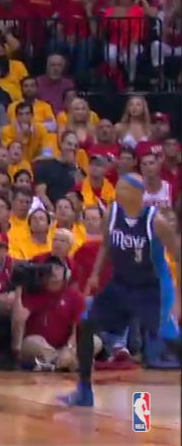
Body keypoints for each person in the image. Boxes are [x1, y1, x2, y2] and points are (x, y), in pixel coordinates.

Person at [59, 173, 181, 406]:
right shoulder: (112, 214)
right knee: (85, 324)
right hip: (121, 285)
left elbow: (178, 257)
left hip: (151, 288)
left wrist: (176, 299)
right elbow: (106, 245)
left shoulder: (156, 222)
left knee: (170, 338)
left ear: (137, 194)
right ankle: (84, 391)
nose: (118, 192)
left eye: (124, 189)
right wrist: (95, 274)